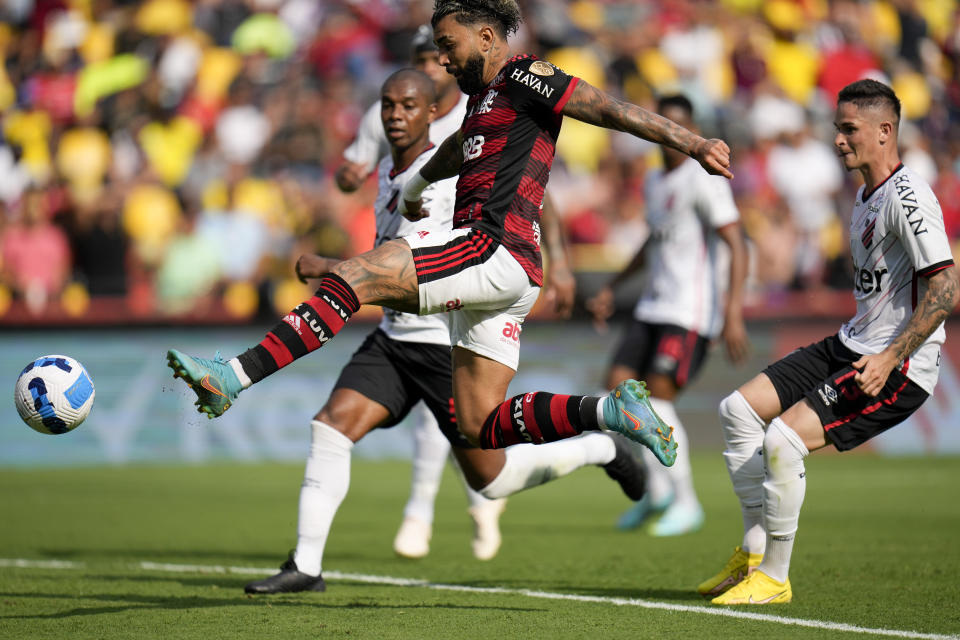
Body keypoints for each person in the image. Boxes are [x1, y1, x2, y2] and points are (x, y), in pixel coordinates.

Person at [166, 0, 735, 514]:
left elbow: (606, 108)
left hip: (493, 247)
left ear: (487, 37)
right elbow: (455, 155)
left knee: (358, 275)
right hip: (508, 271)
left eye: (449, 43)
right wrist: (414, 191)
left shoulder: (524, 75)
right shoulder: (483, 104)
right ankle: (609, 415)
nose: (442, 56)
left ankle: (232, 376)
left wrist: (695, 144)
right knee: (479, 425)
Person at [238, 69, 647, 594]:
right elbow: (393, 261)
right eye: (387, 104)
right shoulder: (388, 168)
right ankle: (307, 566)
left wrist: (560, 264)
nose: (394, 114)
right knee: (331, 425)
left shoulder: (456, 171)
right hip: (393, 339)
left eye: (408, 104)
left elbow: (509, 216)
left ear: (433, 110)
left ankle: (599, 449)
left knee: (492, 480)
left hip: (443, 339)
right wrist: (337, 265)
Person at [699, 79, 958, 605]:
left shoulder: (909, 198)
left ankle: (774, 578)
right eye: (836, 128)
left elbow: (946, 286)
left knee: (783, 441)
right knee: (738, 411)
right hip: (852, 341)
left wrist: (890, 357)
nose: (838, 139)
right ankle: (752, 555)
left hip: (898, 364)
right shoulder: (863, 195)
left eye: (849, 129)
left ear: (886, 131)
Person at [335, 24, 506, 562]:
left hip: (458, 275)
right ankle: (443, 509)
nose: (430, 67)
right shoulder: (390, 110)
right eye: (419, 59)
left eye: (437, 57)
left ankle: (439, 509)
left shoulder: (477, 114)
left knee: (465, 424)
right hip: (406, 284)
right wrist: (349, 172)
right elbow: (355, 170)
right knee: (455, 424)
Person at [587, 94, 749, 537]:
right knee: (617, 396)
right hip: (652, 306)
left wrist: (732, 313)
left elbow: (736, 244)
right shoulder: (655, 181)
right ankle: (658, 493)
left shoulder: (706, 180)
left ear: (691, 130)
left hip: (689, 311)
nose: (671, 137)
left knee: (657, 401)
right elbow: (653, 241)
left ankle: (686, 502)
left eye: (680, 126)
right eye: (665, 125)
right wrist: (612, 286)